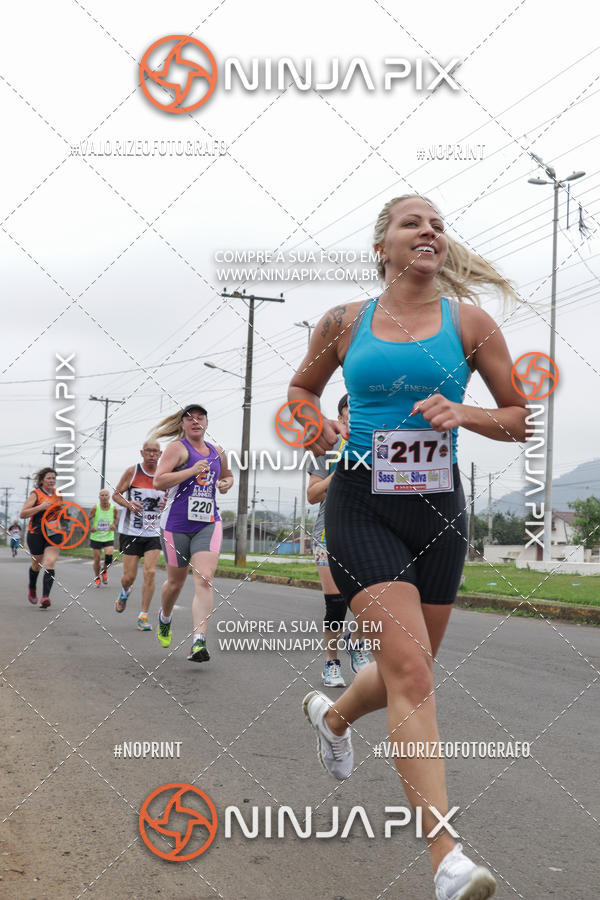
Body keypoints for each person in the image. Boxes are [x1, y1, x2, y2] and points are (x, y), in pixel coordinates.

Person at [290, 194, 528, 900]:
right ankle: (447, 859)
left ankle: (332, 716)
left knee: (409, 669)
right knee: (413, 675)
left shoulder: (473, 324)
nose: (429, 230)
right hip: (362, 503)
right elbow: (303, 390)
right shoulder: (344, 322)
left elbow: (518, 418)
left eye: (438, 224)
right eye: (411, 223)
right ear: (382, 248)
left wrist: (469, 414)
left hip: (440, 510)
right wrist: (315, 425)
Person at [151, 404, 233, 662]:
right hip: (176, 524)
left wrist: (224, 484)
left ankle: (198, 640)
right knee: (176, 582)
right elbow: (158, 481)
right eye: (190, 418)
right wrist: (190, 471)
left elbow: (229, 477)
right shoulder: (177, 449)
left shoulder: (217, 452)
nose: (196, 421)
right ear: (183, 424)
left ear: (207, 422)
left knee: (205, 578)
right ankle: (165, 617)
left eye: (200, 418)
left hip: (208, 523)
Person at [307, 393, 371, 687]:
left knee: (373, 600)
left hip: (367, 530)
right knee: (336, 605)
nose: (356, 410)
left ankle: (356, 642)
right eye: (350, 405)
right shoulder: (326, 447)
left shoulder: (379, 443)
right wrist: (340, 473)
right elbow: (312, 495)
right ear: (342, 413)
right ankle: (331, 663)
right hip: (328, 531)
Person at [112, 440, 165, 631]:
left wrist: (168, 502)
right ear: (142, 453)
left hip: (153, 532)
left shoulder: (165, 474)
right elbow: (116, 495)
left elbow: (174, 497)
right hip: (130, 531)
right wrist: (129, 504)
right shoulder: (132, 472)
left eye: (155, 452)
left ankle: (143, 615)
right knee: (129, 577)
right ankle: (125, 591)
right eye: (148, 451)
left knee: (150, 572)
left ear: (160, 454)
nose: (152, 454)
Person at [20, 468, 63, 608]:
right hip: (36, 533)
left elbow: (60, 513)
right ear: (42, 480)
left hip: (54, 533)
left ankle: (45, 597)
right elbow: (23, 514)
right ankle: (32, 587)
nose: (51, 481)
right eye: (49, 478)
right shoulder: (36, 494)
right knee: (36, 564)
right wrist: (40, 507)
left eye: (53, 478)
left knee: (50, 562)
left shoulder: (58, 494)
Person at [88, 489, 119, 587]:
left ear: (109, 497)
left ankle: (104, 570)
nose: (104, 497)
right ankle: (97, 577)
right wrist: (90, 527)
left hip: (108, 536)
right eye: (102, 495)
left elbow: (116, 518)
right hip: (96, 537)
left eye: (106, 495)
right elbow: (88, 518)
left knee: (109, 557)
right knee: (97, 560)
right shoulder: (95, 508)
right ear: (99, 497)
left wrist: (114, 524)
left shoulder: (114, 508)